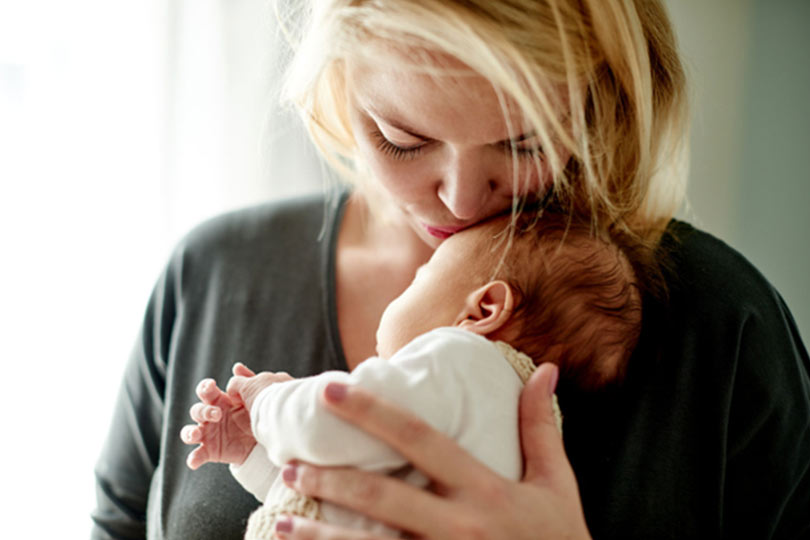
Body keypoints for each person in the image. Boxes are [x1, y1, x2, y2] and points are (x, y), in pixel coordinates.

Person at [90, 1, 810, 539]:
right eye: (402, 139)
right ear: (339, 87)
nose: (462, 201)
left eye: (523, 143)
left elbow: (324, 422)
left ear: (599, 103)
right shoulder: (212, 272)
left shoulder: (722, 326)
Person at [179, 211, 640, 538]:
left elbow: (329, 424)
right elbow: (329, 497)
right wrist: (254, 455)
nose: (405, 287)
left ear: (483, 310)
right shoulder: (510, 426)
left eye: (422, 277)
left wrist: (267, 400)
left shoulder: (463, 358)